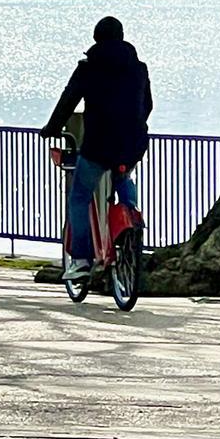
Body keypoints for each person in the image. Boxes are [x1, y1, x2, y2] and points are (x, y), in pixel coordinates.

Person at [40, 16, 153, 283]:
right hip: (133, 142)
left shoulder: (89, 67)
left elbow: (68, 100)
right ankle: (131, 226)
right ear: (122, 37)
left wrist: (51, 128)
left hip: (99, 144)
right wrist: (134, 126)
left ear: (96, 38)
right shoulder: (139, 68)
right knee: (123, 176)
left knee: (79, 197)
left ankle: (81, 259)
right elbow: (147, 104)